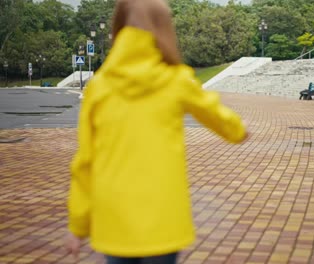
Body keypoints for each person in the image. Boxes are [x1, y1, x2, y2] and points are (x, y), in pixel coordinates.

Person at [63, 0, 247, 263]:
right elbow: (221, 119)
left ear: (117, 28)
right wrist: (239, 130)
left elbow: (85, 162)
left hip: (114, 220)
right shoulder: (176, 80)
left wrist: (78, 225)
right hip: (163, 221)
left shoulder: (99, 87)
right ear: (163, 30)